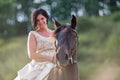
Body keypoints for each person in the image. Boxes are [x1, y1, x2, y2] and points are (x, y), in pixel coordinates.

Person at [14, 8, 56, 80]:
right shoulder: (33, 34)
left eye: (42, 18)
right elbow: (32, 55)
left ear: (46, 18)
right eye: (37, 20)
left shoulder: (55, 33)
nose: (40, 22)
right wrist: (50, 58)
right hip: (40, 65)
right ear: (35, 22)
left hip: (56, 62)